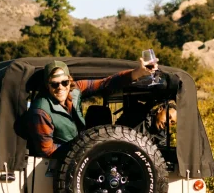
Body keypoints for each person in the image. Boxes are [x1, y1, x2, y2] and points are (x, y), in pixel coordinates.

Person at [27, 58, 156, 157]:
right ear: (47, 86)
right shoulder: (41, 111)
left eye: (64, 82)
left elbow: (105, 83)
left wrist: (137, 73)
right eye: (54, 84)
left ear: (69, 81)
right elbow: (47, 150)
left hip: (82, 152)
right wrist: (83, 148)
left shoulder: (75, 89)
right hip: (59, 161)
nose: (60, 87)